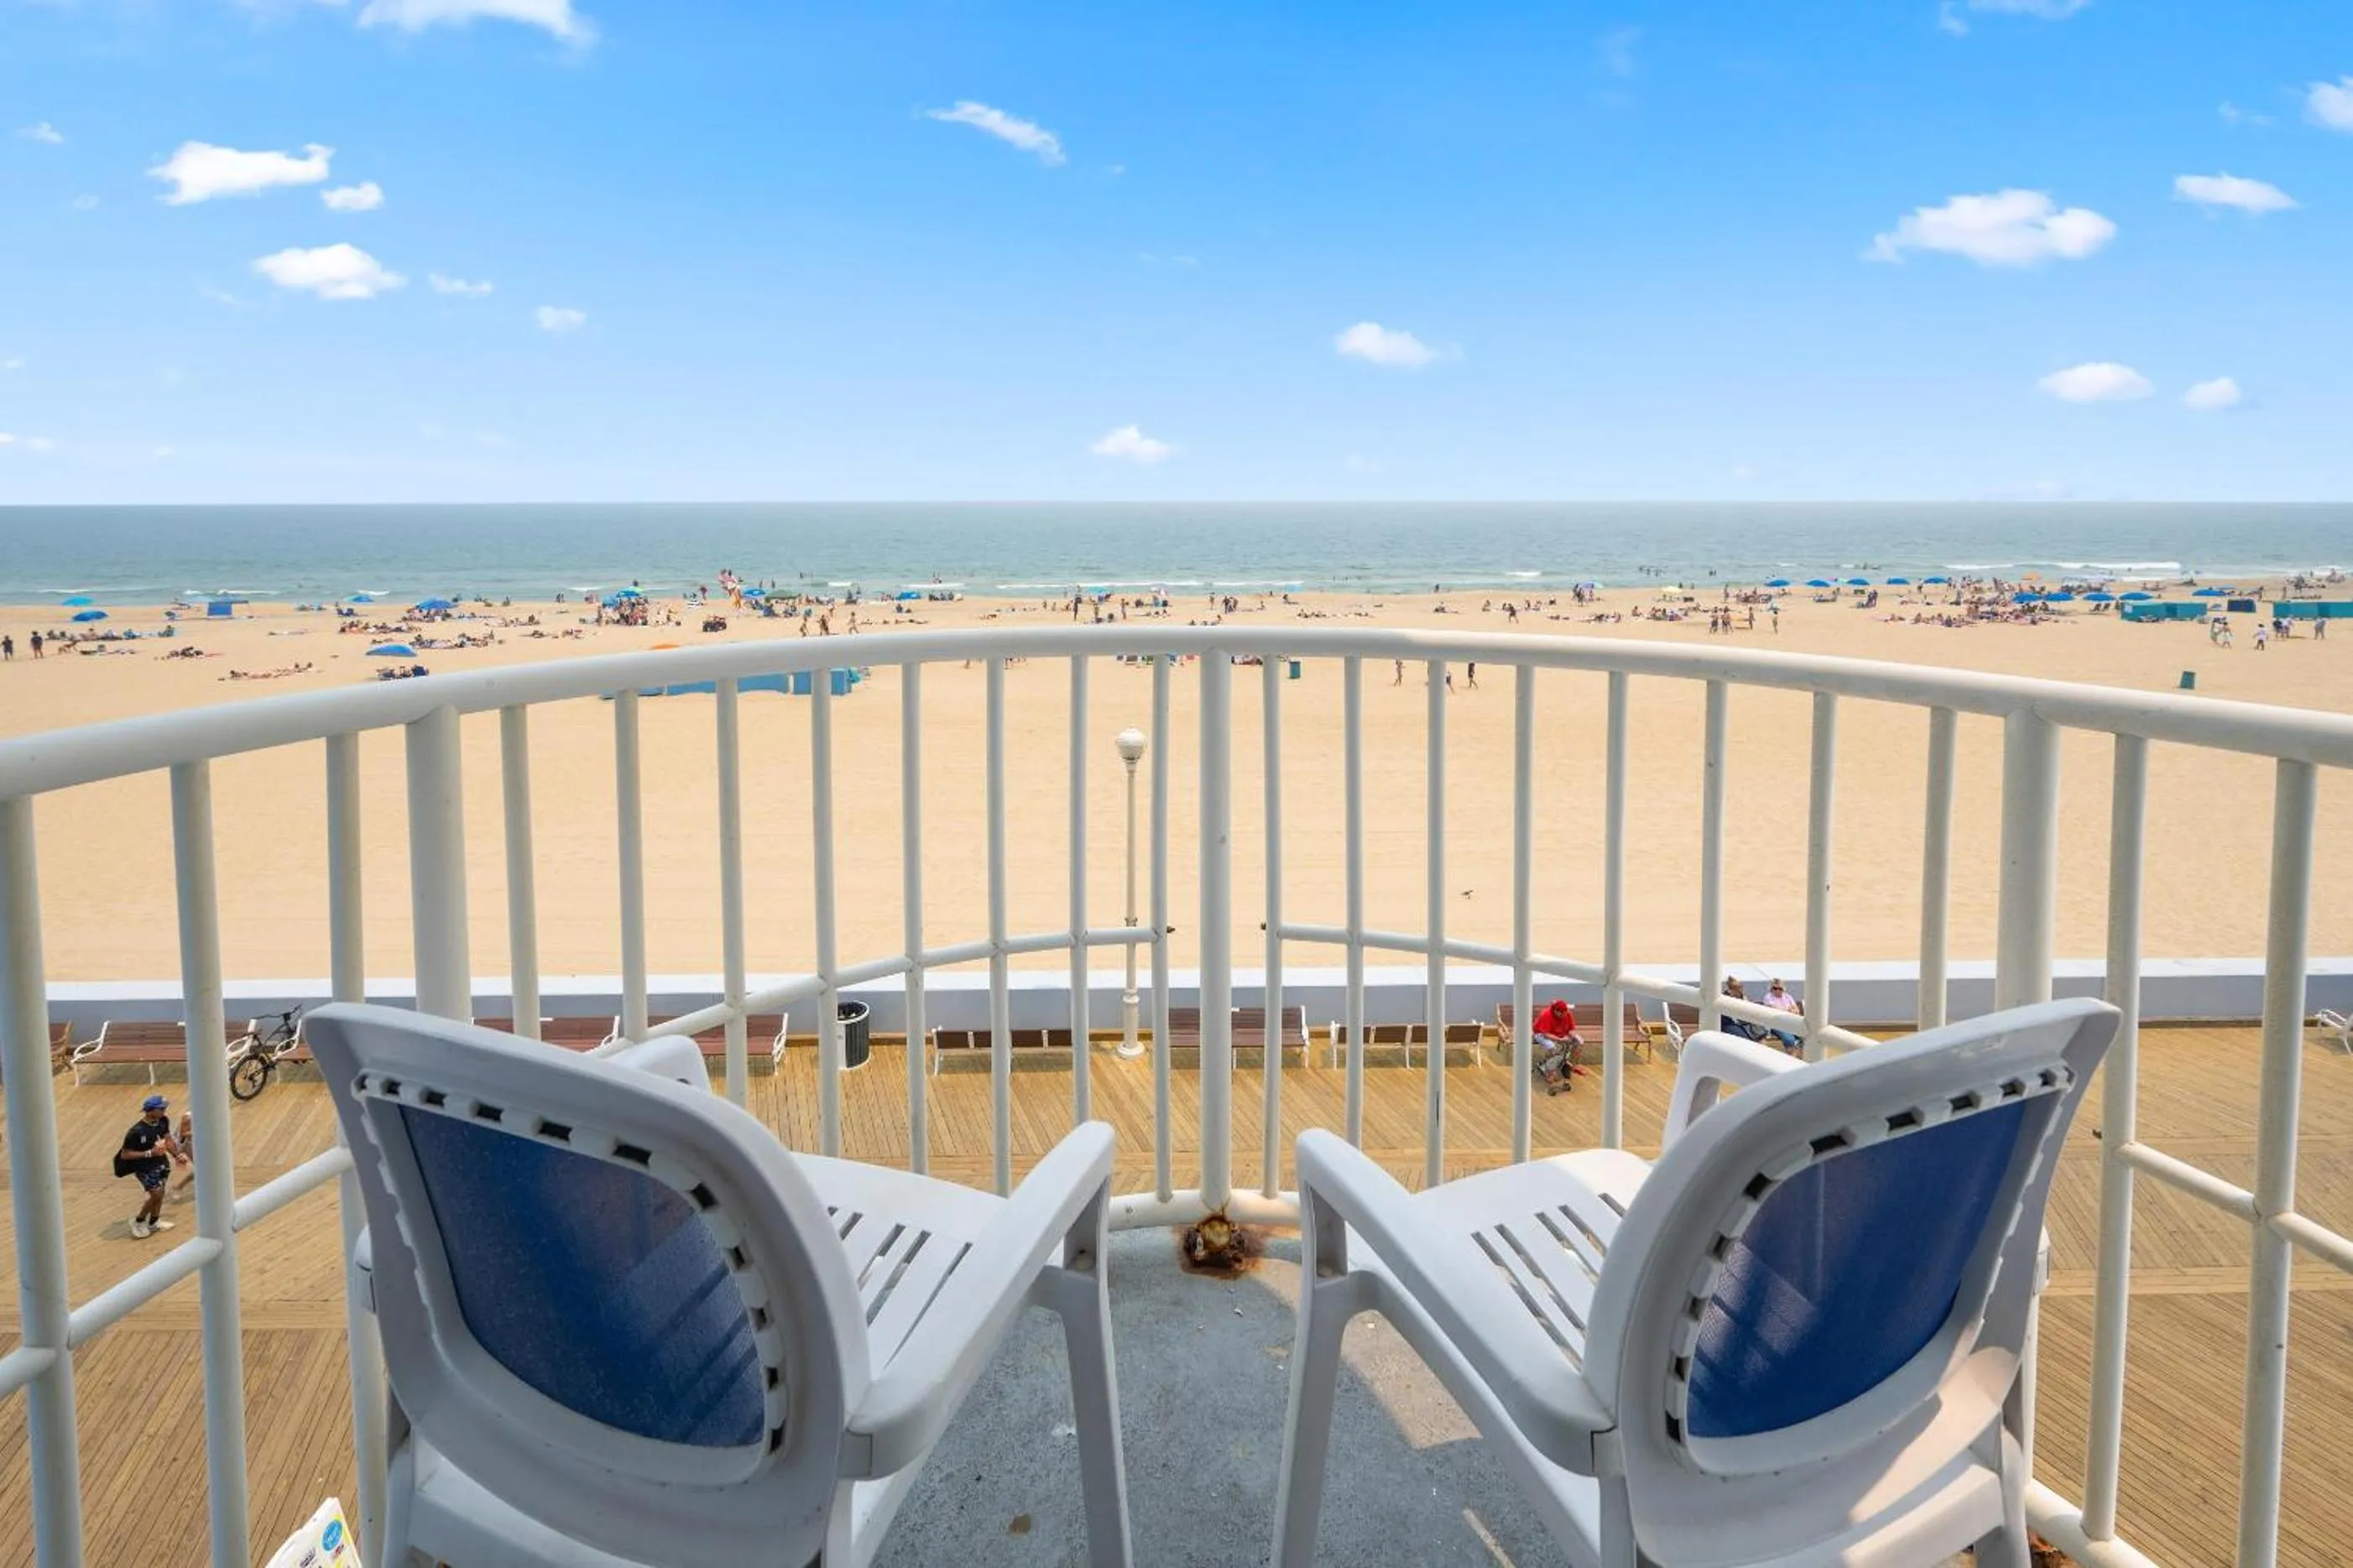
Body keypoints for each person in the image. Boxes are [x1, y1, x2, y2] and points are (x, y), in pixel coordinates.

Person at [115, 1093, 188, 1237]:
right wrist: (149, 1153)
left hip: (161, 1164)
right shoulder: (136, 1132)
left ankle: (154, 1221)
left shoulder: (163, 1121)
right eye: (161, 1109)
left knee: (160, 1194)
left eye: (164, 1108)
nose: (164, 1111)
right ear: (150, 1111)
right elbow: (125, 1154)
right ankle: (139, 1221)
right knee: (156, 1193)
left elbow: (168, 1140)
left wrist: (177, 1155)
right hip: (143, 1167)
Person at [1530, 998, 1582, 1096]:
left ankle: (1572, 1064)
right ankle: (1547, 1067)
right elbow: (1545, 1034)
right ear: (1555, 1011)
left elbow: (1571, 1030)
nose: (1564, 1015)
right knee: (1552, 1046)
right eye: (1561, 1013)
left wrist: (1571, 1036)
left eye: (1565, 1012)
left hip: (1560, 1035)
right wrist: (1561, 1040)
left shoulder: (1567, 1014)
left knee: (1579, 1042)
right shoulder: (1545, 1015)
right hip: (1542, 1034)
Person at [1760, 977, 1804, 1054]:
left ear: (1783, 989)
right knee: (1789, 1040)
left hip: (1791, 1022)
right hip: (1777, 1024)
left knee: (1807, 1036)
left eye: (1780, 988)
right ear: (1771, 989)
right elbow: (1775, 1010)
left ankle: (1798, 1054)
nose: (1777, 990)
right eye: (1775, 988)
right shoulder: (1768, 997)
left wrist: (1790, 1010)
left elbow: (1796, 1010)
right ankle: (1791, 1058)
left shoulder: (1788, 996)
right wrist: (1789, 1010)